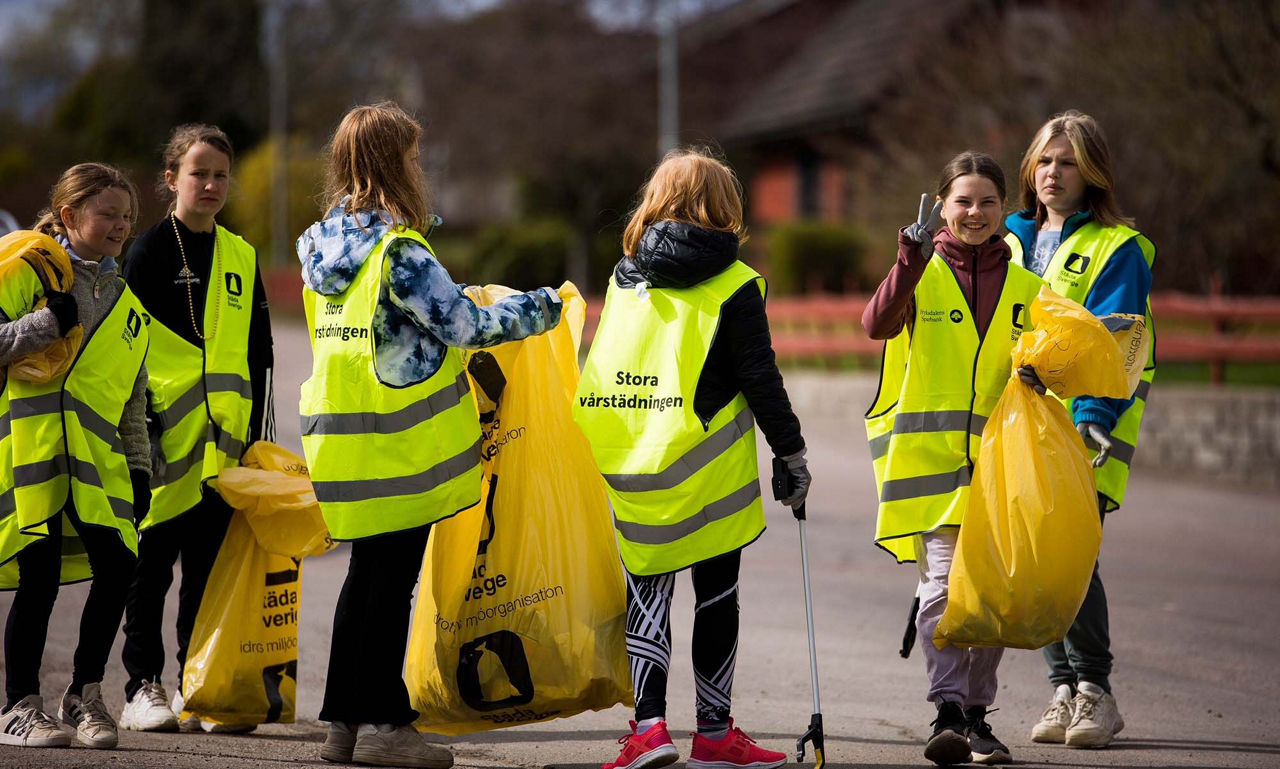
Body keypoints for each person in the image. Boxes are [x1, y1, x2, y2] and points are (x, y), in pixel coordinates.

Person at [298, 101, 561, 768]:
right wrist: (543, 305)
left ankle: (343, 724)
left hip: (343, 444)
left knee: (367, 577)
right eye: (413, 157)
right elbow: (464, 328)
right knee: (389, 585)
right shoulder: (399, 252)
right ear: (393, 164)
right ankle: (388, 725)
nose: (421, 167)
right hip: (400, 447)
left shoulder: (320, 246)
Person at [573, 147, 809, 769]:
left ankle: (649, 729)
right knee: (716, 595)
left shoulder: (626, 276)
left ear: (655, 200)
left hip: (634, 454)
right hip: (710, 466)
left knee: (647, 593)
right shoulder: (735, 283)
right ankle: (713, 730)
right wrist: (791, 452)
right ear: (727, 206)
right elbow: (760, 379)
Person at [862, 152, 1047, 766]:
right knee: (942, 591)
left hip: (1004, 469)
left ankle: (976, 715)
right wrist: (905, 264)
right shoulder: (919, 272)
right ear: (942, 205)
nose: (975, 213)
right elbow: (875, 324)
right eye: (963, 201)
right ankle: (945, 710)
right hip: (931, 466)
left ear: (1004, 210)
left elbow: (1053, 364)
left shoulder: (1030, 288)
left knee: (991, 598)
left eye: (988, 202)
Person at [1005, 110, 1154, 749]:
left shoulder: (1117, 247)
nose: (1053, 173)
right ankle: (1062, 689)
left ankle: (1095, 689)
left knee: (1072, 556)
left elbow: (1118, 338)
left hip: (1082, 426)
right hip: (1012, 425)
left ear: (1092, 172)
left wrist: (1094, 415)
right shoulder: (1004, 237)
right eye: (1044, 160)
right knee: (1037, 560)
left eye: (1067, 162)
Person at [118, 124, 274, 732]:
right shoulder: (150, 250)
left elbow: (259, 353)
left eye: (220, 175)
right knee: (149, 569)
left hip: (224, 448)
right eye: (198, 173)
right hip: (161, 445)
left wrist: (258, 438)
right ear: (171, 179)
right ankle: (142, 687)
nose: (210, 185)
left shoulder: (241, 254)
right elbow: (125, 349)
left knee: (207, 576)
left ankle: (196, 684)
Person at [0, 163, 151, 750]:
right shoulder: (25, 271)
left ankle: (85, 696)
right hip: (30, 456)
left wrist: (140, 466)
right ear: (69, 216)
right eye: (108, 214)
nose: (120, 226)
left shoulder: (125, 298)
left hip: (98, 465)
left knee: (117, 568)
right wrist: (44, 324)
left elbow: (134, 395)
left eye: (127, 217)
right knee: (37, 579)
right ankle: (19, 706)